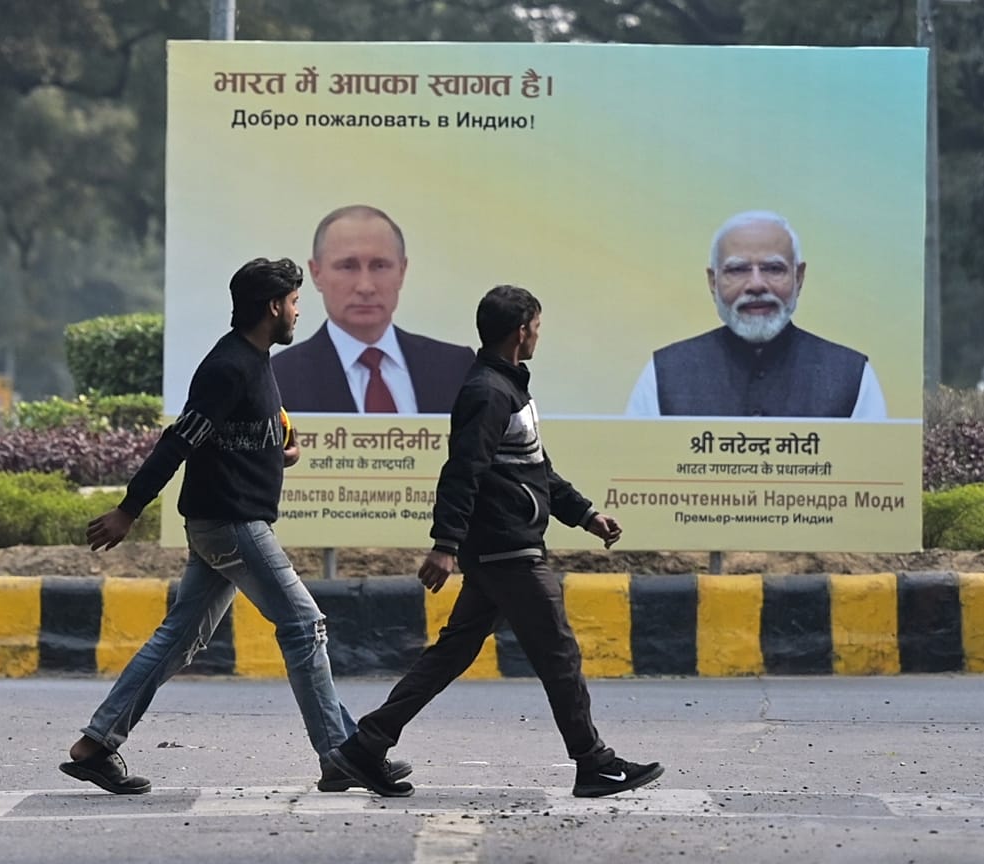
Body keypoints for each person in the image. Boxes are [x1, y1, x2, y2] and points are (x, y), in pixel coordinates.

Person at [59, 258, 410, 795]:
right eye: (294, 302)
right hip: (231, 523)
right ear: (273, 307)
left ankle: (96, 744)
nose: (298, 311)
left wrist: (281, 452)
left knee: (180, 638)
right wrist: (130, 508)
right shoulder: (228, 367)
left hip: (223, 522)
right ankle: (340, 753)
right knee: (303, 625)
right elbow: (180, 440)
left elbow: (236, 436)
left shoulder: (254, 360)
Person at [326, 284, 664, 799]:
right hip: (508, 549)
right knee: (559, 653)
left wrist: (586, 515)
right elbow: (463, 470)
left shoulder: (510, 389)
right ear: (521, 331)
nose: (538, 336)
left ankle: (364, 747)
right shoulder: (487, 392)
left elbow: (537, 470)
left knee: (452, 653)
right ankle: (593, 763)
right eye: (537, 328)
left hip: (503, 548)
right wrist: (445, 544)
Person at [624, 210, 887, 418]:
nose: (756, 285)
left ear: (799, 277)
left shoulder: (852, 376)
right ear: (713, 282)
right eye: (738, 270)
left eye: (773, 269)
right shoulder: (664, 374)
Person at [272, 205, 475, 414]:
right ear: (316, 273)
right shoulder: (278, 380)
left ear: (402, 271)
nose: (365, 287)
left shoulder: (457, 369)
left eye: (379, 266)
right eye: (348, 266)